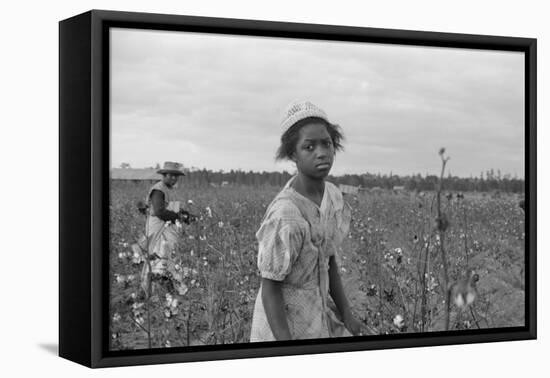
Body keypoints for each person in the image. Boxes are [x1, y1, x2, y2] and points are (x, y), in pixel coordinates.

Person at [250, 100, 367, 341]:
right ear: (293, 153)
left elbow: (328, 258)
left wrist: (346, 314)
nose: (321, 152)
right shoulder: (285, 215)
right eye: (309, 147)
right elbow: (270, 289)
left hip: (317, 312)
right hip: (283, 324)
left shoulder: (332, 197)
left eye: (326, 144)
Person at [136, 161, 190, 295]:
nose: (173, 178)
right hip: (158, 230)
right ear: (164, 175)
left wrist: (186, 215)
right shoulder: (158, 190)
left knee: (166, 260)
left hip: (167, 229)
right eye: (170, 175)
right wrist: (179, 217)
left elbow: (170, 208)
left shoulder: (168, 190)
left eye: (176, 176)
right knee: (156, 260)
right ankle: (147, 292)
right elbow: (160, 211)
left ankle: (165, 292)